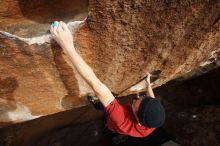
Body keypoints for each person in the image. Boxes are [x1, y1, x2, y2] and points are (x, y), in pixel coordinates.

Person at [50, 21, 165, 138]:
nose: (138, 97)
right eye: (143, 97)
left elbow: (97, 86)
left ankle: (97, 104)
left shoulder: (121, 120)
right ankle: (100, 105)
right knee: (111, 104)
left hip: (113, 124)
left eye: (137, 102)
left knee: (105, 109)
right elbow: (151, 101)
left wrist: (68, 47)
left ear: (137, 118)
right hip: (130, 119)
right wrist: (148, 85)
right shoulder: (153, 120)